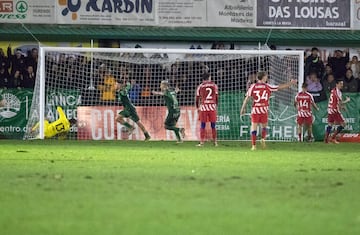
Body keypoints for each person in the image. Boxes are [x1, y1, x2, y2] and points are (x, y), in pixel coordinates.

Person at [240, 72, 297, 150]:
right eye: (266, 76)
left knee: (254, 128)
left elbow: (247, 98)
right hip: (264, 109)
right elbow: (280, 87)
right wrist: (291, 83)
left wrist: (243, 108)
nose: (267, 78)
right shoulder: (267, 86)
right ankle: (263, 139)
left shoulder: (253, 86)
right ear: (263, 77)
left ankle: (254, 146)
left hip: (256, 110)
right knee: (264, 127)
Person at [195, 73, 219, 147]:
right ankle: (215, 142)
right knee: (213, 125)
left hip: (204, 107)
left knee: (203, 124)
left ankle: (202, 142)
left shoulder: (200, 86)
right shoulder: (214, 85)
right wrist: (216, 105)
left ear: (203, 79)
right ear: (209, 78)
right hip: (212, 106)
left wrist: (197, 107)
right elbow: (217, 96)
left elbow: (197, 98)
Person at [324, 80, 351, 144]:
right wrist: (347, 100)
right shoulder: (338, 92)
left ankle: (326, 139)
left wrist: (342, 107)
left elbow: (336, 102)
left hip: (330, 109)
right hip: (335, 110)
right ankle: (332, 138)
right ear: (337, 84)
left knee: (330, 124)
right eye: (340, 84)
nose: (342, 85)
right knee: (343, 124)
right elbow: (340, 102)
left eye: (342, 84)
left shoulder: (333, 90)